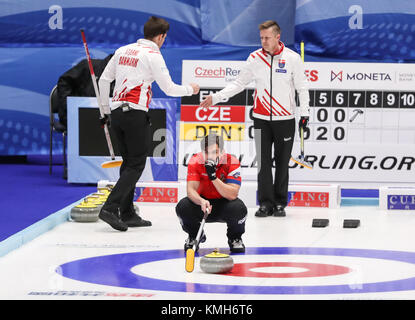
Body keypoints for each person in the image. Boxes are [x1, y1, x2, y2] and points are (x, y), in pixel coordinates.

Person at [98, 16, 200, 231]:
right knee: (136, 164)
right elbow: (170, 89)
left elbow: (104, 80)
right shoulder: (153, 55)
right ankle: (110, 207)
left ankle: (126, 213)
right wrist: (191, 89)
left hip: (116, 113)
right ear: (161, 36)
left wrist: (105, 110)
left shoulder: (123, 50)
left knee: (128, 164)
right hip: (135, 113)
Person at [200, 20, 310, 218]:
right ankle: (265, 203)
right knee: (264, 163)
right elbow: (238, 84)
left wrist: (305, 114)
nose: (264, 41)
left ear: (278, 37)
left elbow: (302, 88)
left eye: (267, 38)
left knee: (282, 162)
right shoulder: (254, 58)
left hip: (285, 119)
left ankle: (280, 203)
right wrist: (216, 97)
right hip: (261, 119)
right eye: (261, 38)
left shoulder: (292, 59)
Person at [176, 133, 247, 253]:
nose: (210, 156)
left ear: (222, 152)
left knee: (239, 208)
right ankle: (195, 235)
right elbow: (191, 191)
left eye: (215, 152)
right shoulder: (195, 161)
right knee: (183, 207)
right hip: (203, 204)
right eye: (207, 152)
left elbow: (232, 194)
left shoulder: (232, 162)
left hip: (224, 203)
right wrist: (201, 201)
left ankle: (235, 238)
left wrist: (213, 177)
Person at [57, 54, 114, 128]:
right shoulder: (88, 67)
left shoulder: (128, 75)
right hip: (80, 118)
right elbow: (64, 83)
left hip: (111, 121)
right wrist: (69, 107)